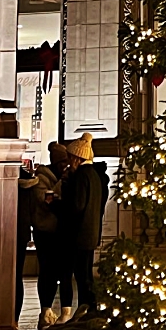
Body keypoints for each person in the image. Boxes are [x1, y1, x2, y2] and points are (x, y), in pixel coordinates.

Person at [28, 142, 74, 329]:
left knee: (64, 273)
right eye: (62, 161)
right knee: (47, 272)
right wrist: (61, 184)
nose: (65, 165)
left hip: (62, 232)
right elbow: (45, 200)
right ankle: (45, 310)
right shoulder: (42, 178)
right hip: (45, 232)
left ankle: (64, 312)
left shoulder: (67, 177)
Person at [60, 132, 103, 320]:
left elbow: (76, 206)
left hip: (79, 233)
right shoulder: (94, 175)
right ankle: (90, 307)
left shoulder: (81, 176)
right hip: (91, 231)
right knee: (86, 273)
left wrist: (56, 204)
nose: (69, 161)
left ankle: (88, 306)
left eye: (70, 157)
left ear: (77, 157)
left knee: (81, 274)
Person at [16, 161, 38, 327]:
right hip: (21, 233)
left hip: (3, 232)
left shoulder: (5, 180)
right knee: (17, 277)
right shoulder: (30, 184)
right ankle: (15, 319)